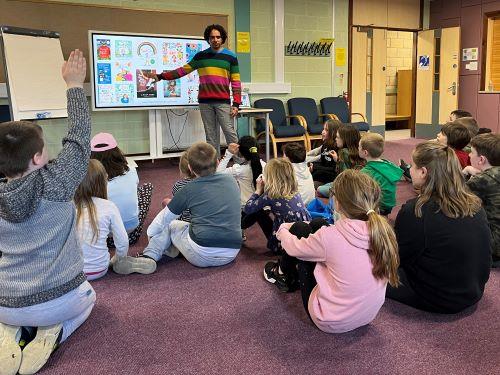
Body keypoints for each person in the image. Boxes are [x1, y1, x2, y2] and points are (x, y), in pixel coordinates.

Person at [0, 50, 97, 374]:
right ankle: (55, 334)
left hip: (6, 303)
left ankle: (11, 332)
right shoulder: (58, 180)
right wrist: (73, 85)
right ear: (39, 157)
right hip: (59, 301)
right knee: (90, 298)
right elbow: (80, 137)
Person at [274, 170, 400, 333]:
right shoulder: (383, 231)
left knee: (301, 234)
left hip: (330, 321)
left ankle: (283, 275)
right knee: (318, 223)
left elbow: (293, 248)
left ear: (337, 202)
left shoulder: (330, 237)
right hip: (368, 315)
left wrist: (283, 229)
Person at [387, 141, 491, 314]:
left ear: (423, 172)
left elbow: (396, 259)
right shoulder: (474, 204)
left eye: (412, 166)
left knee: (366, 269)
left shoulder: (416, 211)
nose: (410, 170)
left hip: (440, 298)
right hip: (473, 290)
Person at [125, 142, 242, 271]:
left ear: (190, 168)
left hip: (201, 255)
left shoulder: (188, 189)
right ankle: (173, 247)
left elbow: (164, 219)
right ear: (218, 161)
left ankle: (149, 256)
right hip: (232, 252)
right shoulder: (231, 180)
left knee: (170, 224)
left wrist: (151, 236)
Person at [142, 24, 240, 156]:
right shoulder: (200, 56)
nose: (215, 40)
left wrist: (236, 104)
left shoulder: (231, 57)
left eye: (218, 37)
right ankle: (213, 165)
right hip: (205, 102)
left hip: (223, 102)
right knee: (211, 135)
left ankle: (241, 163)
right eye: (212, 37)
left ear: (223, 39)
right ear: (208, 39)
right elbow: (182, 71)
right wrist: (160, 76)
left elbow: (235, 81)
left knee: (229, 133)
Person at [75, 159, 155, 280]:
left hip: (74, 273)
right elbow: (122, 241)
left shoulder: (69, 207)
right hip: (100, 269)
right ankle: (122, 263)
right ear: (102, 182)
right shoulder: (109, 206)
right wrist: (118, 259)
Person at [243, 158, 311, 254]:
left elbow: (248, 208)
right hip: (304, 232)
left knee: (258, 212)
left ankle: (240, 227)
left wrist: (258, 191)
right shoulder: (293, 189)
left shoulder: (271, 194)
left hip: (287, 241)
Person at [216, 136, 272, 242]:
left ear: (241, 153)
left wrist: (228, 153)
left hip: (247, 210)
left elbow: (218, 175)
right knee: (260, 211)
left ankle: (238, 231)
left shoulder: (239, 170)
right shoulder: (267, 166)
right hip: (265, 207)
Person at [90, 132, 139, 233]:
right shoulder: (132, 170)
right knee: (144, 188)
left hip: (101, 234)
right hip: (131, 230)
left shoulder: (90, 178)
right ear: (117, 152)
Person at [463, 133, 500, 267]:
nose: (469, 155)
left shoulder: (481, 180)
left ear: (481, 160)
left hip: (494, 246)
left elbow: (453, 197)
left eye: (472, 153)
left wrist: (465, 173)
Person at [359, 133, 403, 216]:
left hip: (377, 207)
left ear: (365, 152)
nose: (358, 148)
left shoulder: (365, 172)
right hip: (389, 205)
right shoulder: (388, 164)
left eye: (359, 146)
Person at [317, 124, 365, 197]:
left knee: (320, 189)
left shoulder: (343, 152)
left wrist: (339, 162)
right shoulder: (358, 150)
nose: (335, 139)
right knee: (325, 185)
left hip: (347, 186)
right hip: (357, 184)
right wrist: (337, 160)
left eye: (337, 137)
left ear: (345, 139)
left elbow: (343, 176)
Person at [306, 119, 342, 187]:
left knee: (318, 172)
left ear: (333, 132)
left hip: (332, 173)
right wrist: (311, 164)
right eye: (323, 129)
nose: (322, 132)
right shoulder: (326, 144)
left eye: (326, 130)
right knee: (311, 167)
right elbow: (322, 160)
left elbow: (334, 169)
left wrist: (315, 167)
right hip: (324, 169)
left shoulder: (337, 147)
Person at [161, 151, 195, 223]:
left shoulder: (178, 185)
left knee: (165, 202)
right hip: (203, 221)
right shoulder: (206, 183)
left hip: (184, 223)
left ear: (181, 170)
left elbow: (176, 207)